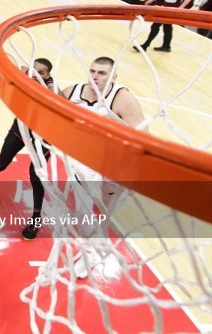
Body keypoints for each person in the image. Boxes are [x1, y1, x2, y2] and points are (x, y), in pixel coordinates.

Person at [59, 57, 145, 278]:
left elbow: (143, 136)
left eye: (102, 73)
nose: (96, 76)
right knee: (84, 209)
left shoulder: (123, 99)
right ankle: (90, 253)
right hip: (86, 158)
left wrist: (112, 119)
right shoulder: (72, 92)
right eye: (93, 71)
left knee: (106, 209)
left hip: (117, 161)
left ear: (114, 77)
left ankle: (98, 241)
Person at [0, 58, 54, 240]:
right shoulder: (25, 72)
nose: (35, 74)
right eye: (34, 69)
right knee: (1, 164)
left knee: (35, 176)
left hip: (42, 136)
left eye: (41, 73)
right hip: (20, 129)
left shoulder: (50, 89)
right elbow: (12, 66)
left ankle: (36, 217)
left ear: (48, 76)